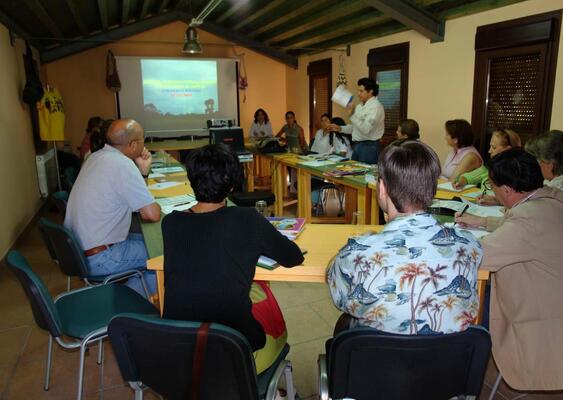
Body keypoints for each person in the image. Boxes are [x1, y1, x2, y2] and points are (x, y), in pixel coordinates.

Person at [161, 144, 304, 373]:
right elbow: (292, 257)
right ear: (231, 185)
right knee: (267, 304)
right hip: (236, 346)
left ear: (191, 180)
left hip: (181, 345)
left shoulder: (170, 223)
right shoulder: (247, 219)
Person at [475, 148, 563, 391]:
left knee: (474, 298)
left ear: (507, 190)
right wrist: (483, 222)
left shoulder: (527, 221)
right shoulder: (553, 197)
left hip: (555, 322)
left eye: (493, 187)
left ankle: (462, 377)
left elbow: (477, 257)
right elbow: (524, 227)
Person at [327, 140, 482, 335]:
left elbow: (339, 298)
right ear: (432, 190)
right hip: (448, 363)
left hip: (378, 361)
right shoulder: (469, 244)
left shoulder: (356, 252)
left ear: (382, 188)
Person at [65, 119, 160, 295]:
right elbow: (151, 214)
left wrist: (142, 172)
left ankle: (132, 290)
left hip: (79, 251)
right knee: (166, 252)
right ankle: (126, 301)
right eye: (143, 140)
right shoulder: (122, 164)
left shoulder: (96, 156)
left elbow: (134, 204)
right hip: (101, 257)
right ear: (132, 145)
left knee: (157, 242)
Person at [328, 78, 385, 164]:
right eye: (358, 91)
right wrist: (340, 128)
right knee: (354, 174)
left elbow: (366, 129)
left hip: (369, 147)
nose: (358, 94)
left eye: (361, 91)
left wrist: (352, 115)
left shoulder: (376, 107)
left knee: (364, 176)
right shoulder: (359, 106)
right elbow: (356, 127)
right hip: (357, 145)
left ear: (371, 91)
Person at [453, 128, 521, 198]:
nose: (489, 151)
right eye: (490, 146)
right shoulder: (489, 168)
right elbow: (469, 177)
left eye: (493, 147)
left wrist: (495, 201)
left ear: (508, 150)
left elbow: (516, 199)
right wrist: (461, 181)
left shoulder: (518, 173)